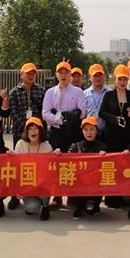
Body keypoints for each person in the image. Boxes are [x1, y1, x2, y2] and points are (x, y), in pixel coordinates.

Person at [42, 60, 86, 209]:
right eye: (60, 72)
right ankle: (57, 195)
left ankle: (72, 195)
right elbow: (45, 113)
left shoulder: (78, 92)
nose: (63, 75)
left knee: (73, 163)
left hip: (73, 131)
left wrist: (68, 117)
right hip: (56, 131)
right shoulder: (50, 92)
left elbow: (82, 112)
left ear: (70, 74)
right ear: (56, 74)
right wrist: (61, 119)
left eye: (66, 72)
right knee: (56, 163)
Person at [61, 117, 107, 219]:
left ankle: (94, 203)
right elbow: (66, 159)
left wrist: (105, 156)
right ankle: (79, 205)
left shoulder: (102, 146)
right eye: (85, 130)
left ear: (96, 130)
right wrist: (58, 154)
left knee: (91, 210)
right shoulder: (75, 146)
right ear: (82, 131)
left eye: (91, 129)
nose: (88, 133)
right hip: (79, 182)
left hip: (95, 182)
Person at [9, 117, 52, 221]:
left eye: (36, 128)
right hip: (26, 184)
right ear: (26, 131)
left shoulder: (47, 146)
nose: (33, 131)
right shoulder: (20, 144)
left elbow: (51, 170)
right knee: (31, 208)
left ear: (40, 131)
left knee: (44, 190)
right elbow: (16, 168)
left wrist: (57, 154)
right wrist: (18, 188)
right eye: (30, 128)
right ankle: (34, 202)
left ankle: (45, 206)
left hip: (41, 184)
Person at [99, 64, 130, 153]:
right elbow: (102, 112)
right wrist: (114, 119)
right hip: (111, 136)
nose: (122, 82)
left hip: (128, 136)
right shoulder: (109, 95)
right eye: (120, 79)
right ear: (115, 79)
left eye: (125, 79)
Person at [9, 62, 46, 148]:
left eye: (33, 74)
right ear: (22, 75)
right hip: (20, 131)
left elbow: (44, 110)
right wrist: (27, 127)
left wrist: (36, 127)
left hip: (38, 132)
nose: (31, 76)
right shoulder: (14, 92)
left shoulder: (41, 90)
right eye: (28, 73)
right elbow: (14, 113)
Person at [84, 63, 112, 134]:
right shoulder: (85, 94)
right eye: (95, 76)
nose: (98, 78)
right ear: (90, 77)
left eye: (100, 75)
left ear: (103, 76)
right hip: (90, 133)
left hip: (106, 132)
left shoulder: (110, 93)